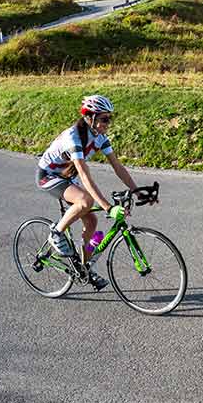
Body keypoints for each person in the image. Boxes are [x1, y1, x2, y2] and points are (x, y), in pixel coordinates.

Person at [36, 94, 142, 288]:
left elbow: (118, 167)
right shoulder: (73, 137)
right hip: (49, 175)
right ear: (89, 117)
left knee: (92, 222)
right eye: (104, 118)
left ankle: (84, 269)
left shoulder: (100, 137)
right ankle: (56, 233)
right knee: (85, 201)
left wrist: (136, 191)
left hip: (68, 176)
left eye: (110, 118)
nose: (108, 123)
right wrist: (108, 207)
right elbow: (85, 176)